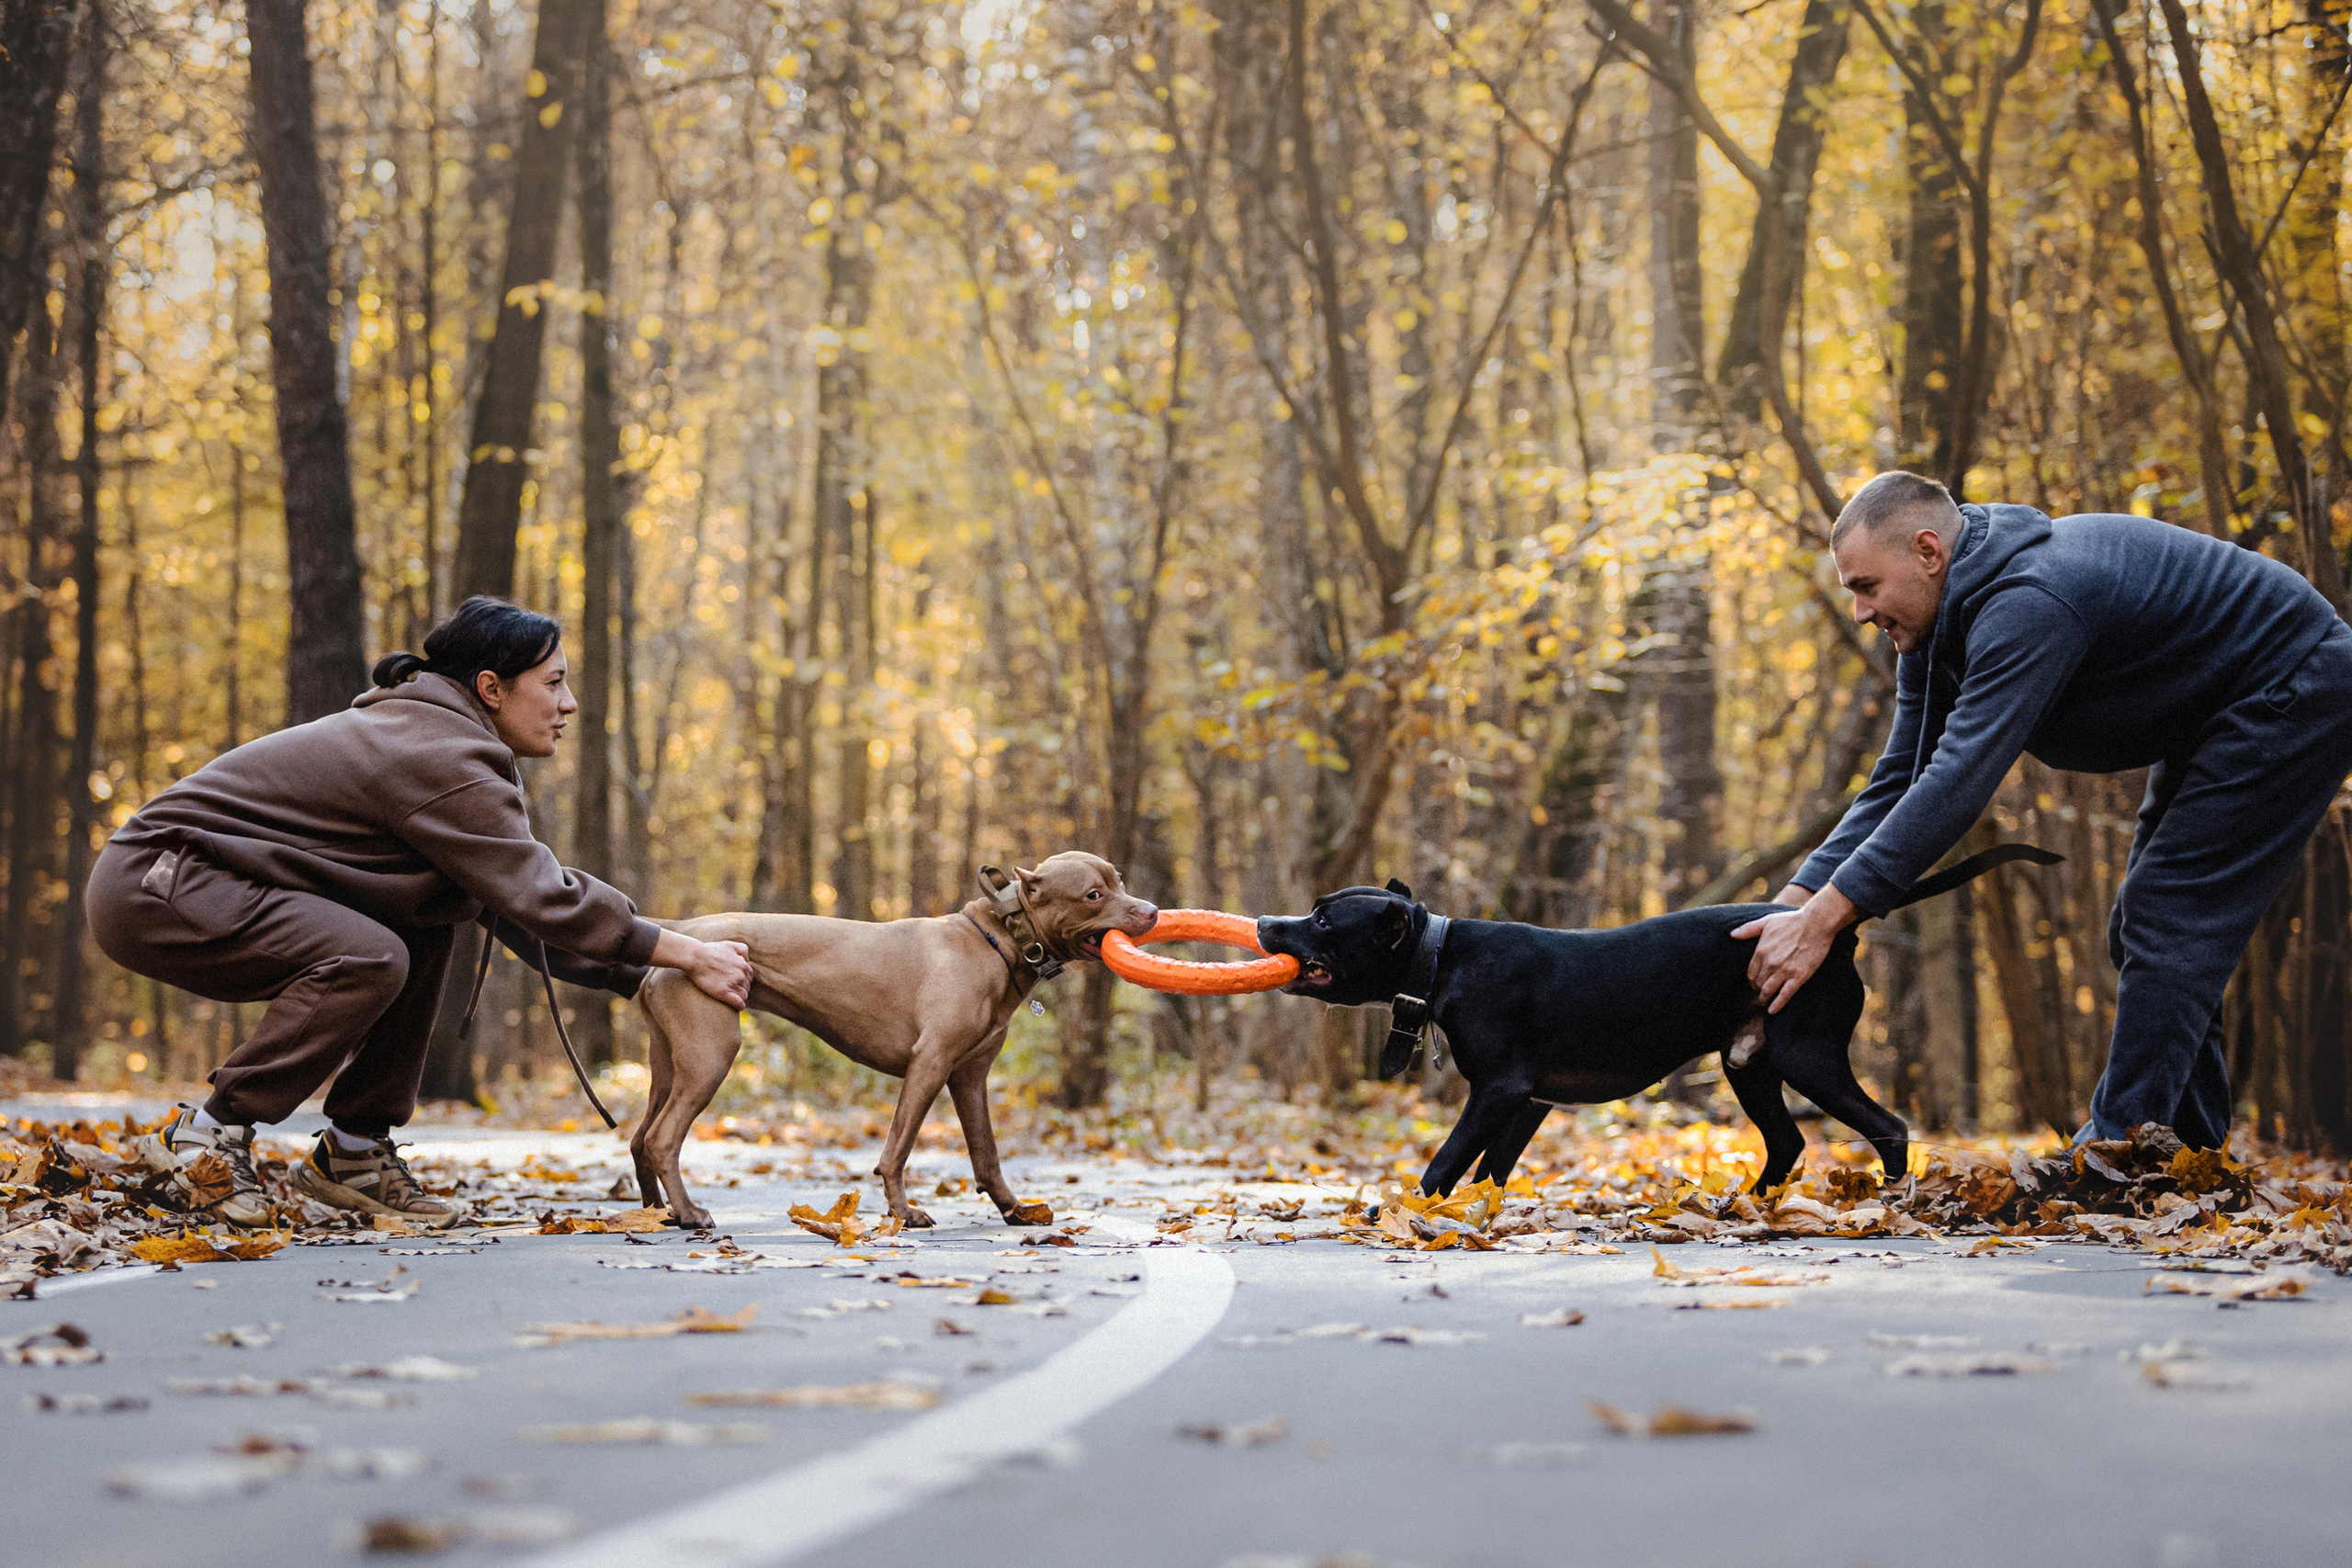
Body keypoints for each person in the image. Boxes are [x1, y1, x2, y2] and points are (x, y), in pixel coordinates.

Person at [88, 597, 752, 1228]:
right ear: (491, 688)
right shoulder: (436, 752)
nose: (568, 703)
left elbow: (513, 906)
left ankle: (353, 1149)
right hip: (158, 879)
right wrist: (686, 952)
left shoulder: (441, 737)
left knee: (429, 910)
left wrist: (643, 975)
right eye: (553, 683)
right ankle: (204, 1135)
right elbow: (543, 892)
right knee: (369, 954)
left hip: (202, 879)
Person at [1735, 471, 2352, 1149]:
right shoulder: (1934, 632)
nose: (1859, 611)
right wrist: (1787, 911)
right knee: (2147, 929)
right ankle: (2181, 1148)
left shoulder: (2029, 601)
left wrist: (1826, 920)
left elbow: (1957, 782)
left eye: (1865, 586)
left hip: (2293, 682)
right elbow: (1896, 782)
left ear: (1928, 552)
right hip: (2213, 712)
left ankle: (2120, 1149)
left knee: (2167, 913)